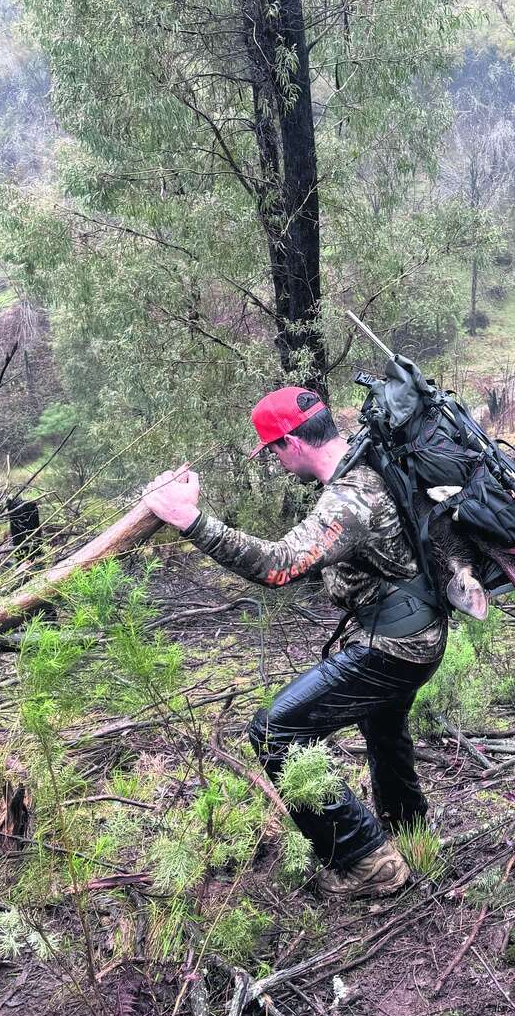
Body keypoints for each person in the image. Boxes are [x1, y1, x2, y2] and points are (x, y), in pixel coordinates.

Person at [142, 386, 483, 901]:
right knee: (384, 727)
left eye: (274, 453)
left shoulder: (350, 498)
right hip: (419, 631)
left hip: (394, 647)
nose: (277, 465)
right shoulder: (373, 463)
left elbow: (281, 565)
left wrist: (190, 519)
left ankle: (367, 862)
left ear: (291, 443)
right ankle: (409, 827)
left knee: (275, 732)